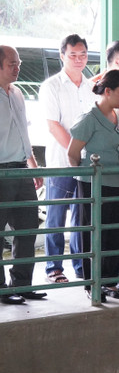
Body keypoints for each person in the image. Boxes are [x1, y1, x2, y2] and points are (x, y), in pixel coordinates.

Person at [67, 70, 119, 301]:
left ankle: (110, 281)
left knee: (117, 234)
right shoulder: (89, 118)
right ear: (108, 91)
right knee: (93, 236)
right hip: (94, 186)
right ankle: (91, 284)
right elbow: (73, 153)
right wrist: (84, 182)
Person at [39, 34, 97, 284]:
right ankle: (54, 268)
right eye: (72, 54)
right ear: (62, 55)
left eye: (82, 54)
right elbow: (54, 126)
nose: (78, 59)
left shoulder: (91, 86)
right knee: (56, 217)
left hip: (86, 164)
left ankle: (81, 266)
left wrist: (85, 157)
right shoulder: (51, 86)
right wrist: (75, 153)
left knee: (81, 217)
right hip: (61, 163)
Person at [0, 45, 46, 304]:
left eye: (18, 63)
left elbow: (23, 134)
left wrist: (33, 165)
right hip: (1, 171)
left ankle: (22, 284)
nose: (18, 67)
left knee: (27, 229)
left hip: (21, 169)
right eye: (12, 64)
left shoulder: (17, 93)